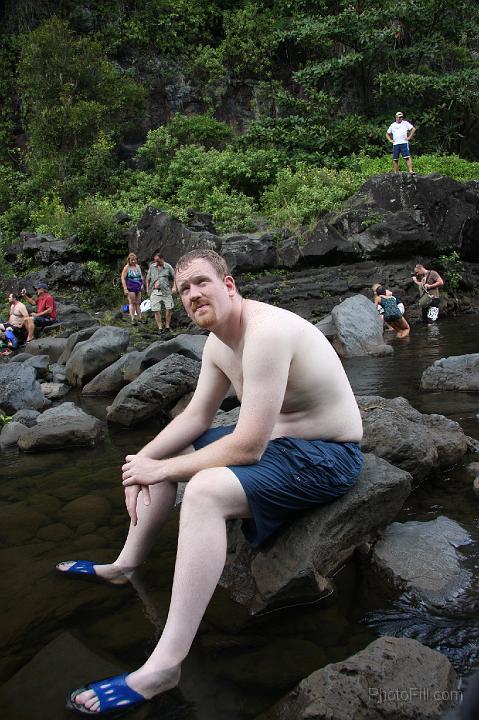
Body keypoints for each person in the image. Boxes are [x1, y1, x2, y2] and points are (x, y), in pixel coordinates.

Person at [57, 248, 364, 716]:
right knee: (172, 454)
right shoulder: (220, 343)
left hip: (328, 455)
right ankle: (125, 565)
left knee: (201, 490)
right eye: (184, 289)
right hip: (284, 445)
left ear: (229, 285)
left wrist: (160, 472)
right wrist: (142, 459)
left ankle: (165, 664)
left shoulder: (266, 332)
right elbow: (198, 416)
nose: (193, 294)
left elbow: (247, 448)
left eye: (202, 282)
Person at [146, 251, 176, 332]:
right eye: (155, 261)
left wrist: (174, 287)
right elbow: (148, 279)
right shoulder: (152, 267)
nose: (157, 262)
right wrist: (147, 289)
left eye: (158, 261)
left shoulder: (168, 267)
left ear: (162, 259)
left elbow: (174, 278)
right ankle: (160, 328)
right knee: (156, 310)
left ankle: (167, 326)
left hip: (166, 291)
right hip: (155, 291)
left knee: (169, 308)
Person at [121, 252, 144, 325]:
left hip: (138, 286)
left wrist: (142, 284)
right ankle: (133, 319)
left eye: (135, 260)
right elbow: (123, 278)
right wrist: (125, 288)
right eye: (132, 260)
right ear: (129, 260)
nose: (133, 261)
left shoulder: (138, 267)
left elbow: (141, 276)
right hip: (130, 287)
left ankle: (140, 318)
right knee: (132, 303)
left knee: (138, 303)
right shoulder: (127, 267)